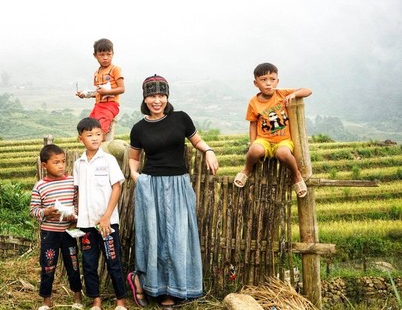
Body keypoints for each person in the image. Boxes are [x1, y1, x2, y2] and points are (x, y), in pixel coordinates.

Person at [127, 75, 219, 309]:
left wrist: (208, 150)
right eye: (152, 96)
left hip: (178, 185)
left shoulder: (181, 119)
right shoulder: (139, 128)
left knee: (178, 237)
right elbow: (134, 158)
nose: (156, 100)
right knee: (154, 237)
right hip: (152, 187)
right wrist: (136, 176)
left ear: (167, 97)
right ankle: (149, 284)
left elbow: (197, 141)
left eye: (161, 95)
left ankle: (174, 288)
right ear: (145, 98)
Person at [233, 62, 312, 198]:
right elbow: (253, 124)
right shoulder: (253, 102)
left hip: (283, 141)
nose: (268, 83)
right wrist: (253, 143)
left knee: (283, 154)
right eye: (263, 80)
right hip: (263, 140)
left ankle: (296, 175)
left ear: (277, 81)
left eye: (272, 79)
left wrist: (294, 94)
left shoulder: (282, 94)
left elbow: (308, 91)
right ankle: (247, 169)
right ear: (255, 83)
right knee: (255, 150)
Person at [73, 117, 128, 310]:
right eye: (89, 135)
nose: (95, 138)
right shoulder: (79, 163)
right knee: (88, 263)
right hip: (86, 224)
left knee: (113, 261)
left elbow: (117, 188)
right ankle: (96, 301)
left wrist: (106, 217)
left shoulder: (108, 160)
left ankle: (120, 301)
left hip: (107, 223)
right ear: (81, 138)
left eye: (98, 134)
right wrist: (75, 215)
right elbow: (78, 191)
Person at [30, 144, 83, 310]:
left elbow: (78, 203)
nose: (61, 166)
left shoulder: (72, 182)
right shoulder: (40, 186)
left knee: (73, 265)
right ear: (44, 165)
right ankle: (46, 301)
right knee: (48, 265)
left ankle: (77, 298)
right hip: (49, 233)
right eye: (56, 162)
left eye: (63, 162)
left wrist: (73, 213)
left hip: (68, 232)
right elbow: (33, 210)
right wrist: (46, 211)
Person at [76, 38, 125, 141]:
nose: (105, 58)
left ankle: (100, 147)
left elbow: (121, 89)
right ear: (95, 55)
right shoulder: (97, 72)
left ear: (113, 54)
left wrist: (106, 92)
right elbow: (98, 93)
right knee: (89, 127)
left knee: (101, 129)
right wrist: (85, 95)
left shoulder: (115, 69)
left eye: (108, 54)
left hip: (110, 105)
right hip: (98, 105)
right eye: (102, 55)